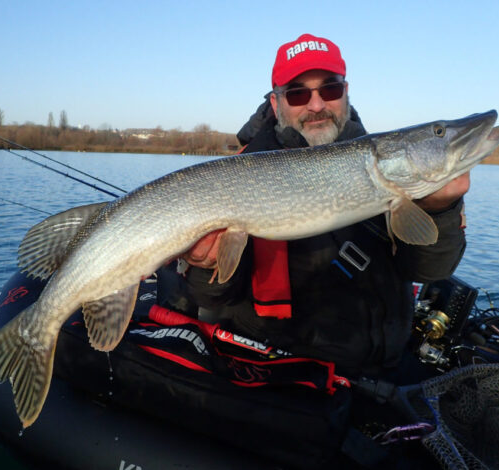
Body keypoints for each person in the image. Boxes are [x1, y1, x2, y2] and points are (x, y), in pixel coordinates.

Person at [159, 33, 468, 383]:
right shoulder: (239, 171)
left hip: (385, 366)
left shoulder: (384, 161)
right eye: (298, 93)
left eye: (330, 90)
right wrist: (204, 266)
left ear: (346, 95)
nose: (317, 105)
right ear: (277, 104)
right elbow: (207, 297)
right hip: (282, 372)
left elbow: (429, 269)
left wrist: (442, 209)